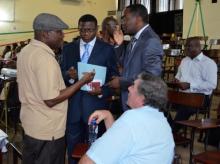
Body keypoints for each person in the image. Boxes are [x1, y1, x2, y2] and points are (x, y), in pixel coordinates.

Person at [17, 13, 95, 164]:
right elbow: (51, 100)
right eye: (59, 32)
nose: (62, 35)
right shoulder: (44, 58)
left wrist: (66, 74)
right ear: (45, 33)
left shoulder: (26, 52)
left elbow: (35, 83)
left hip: (31, 125)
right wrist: (82, 81)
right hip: (48, 131)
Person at [79, 73, 174, 164]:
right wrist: (108, 116)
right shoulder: (162, 121)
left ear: (143, 96)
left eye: (133, 86)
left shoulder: (132, 119)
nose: (128, 88)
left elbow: (89, 161)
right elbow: (124, 140)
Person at [60, 14, 118, 164]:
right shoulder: (68, 48)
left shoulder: (107, 49)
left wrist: (103, 91)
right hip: (74, 107)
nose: (86, 33)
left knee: (96, 148)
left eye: (90, 30)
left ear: (96, 29)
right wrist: (69, 75)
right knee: (72, 147)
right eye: (82, 30)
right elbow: (60, 74)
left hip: (96, 107)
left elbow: (114, 78)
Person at [107, 4, 164, 111]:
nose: (123, 23)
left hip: (142, 101)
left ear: (138, 18)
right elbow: (125, 64)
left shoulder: (150, 40)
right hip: (130, 100)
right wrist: (119, 45)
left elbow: (151, 76)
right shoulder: (135, 39)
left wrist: (121, 82)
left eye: (125, 19)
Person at [172, 36, 217, 132]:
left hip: (200, 97)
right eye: (185, 46)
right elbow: (178, 76)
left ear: (198, 47)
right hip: (182, 95)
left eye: (188, 46)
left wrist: (190, 85)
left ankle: (172, 132)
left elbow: (212, 84)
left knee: (185, 107)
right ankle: (169, 128)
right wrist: (176, 81)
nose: (185, 48)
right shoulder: (185, 60)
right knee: (159, 102)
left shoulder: (208, 63)